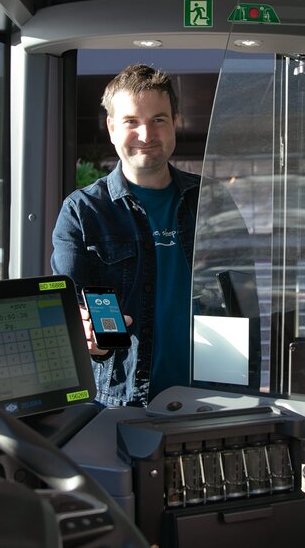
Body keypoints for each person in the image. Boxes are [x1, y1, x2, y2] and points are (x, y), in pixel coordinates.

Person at [51, 64, 199, 407]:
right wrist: (90, 339)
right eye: (132, 121)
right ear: (112, 128)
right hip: (124, 403)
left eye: (159, 119)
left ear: (175, 122)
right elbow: (73, 317)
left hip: (211, 393)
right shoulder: (83, 212)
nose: (147, 134)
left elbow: (241, 299)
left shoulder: (211, 201)